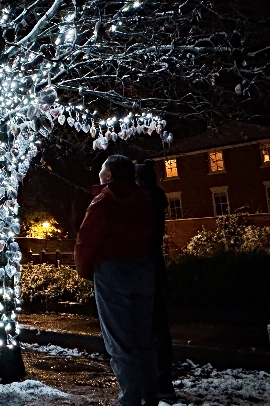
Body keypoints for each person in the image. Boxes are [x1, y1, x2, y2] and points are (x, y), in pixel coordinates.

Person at [74, 155, 158, 406]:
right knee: (143, 336)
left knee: (119, 340)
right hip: (142, 268)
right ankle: (150, 395)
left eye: (102, 168)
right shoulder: (144, 199)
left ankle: (130, 398)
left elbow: (85, 241)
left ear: (109, 175)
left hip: (111, 270)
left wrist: (86, 270)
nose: (99, 172)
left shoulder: (103, 201)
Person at [136, 159, 176, 399]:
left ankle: (158, 382)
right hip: (155, 268)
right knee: (159, 328)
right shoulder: (155, 200)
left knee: (152, 328)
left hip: (146, 268)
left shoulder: (146, 202)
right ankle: (162, 381)